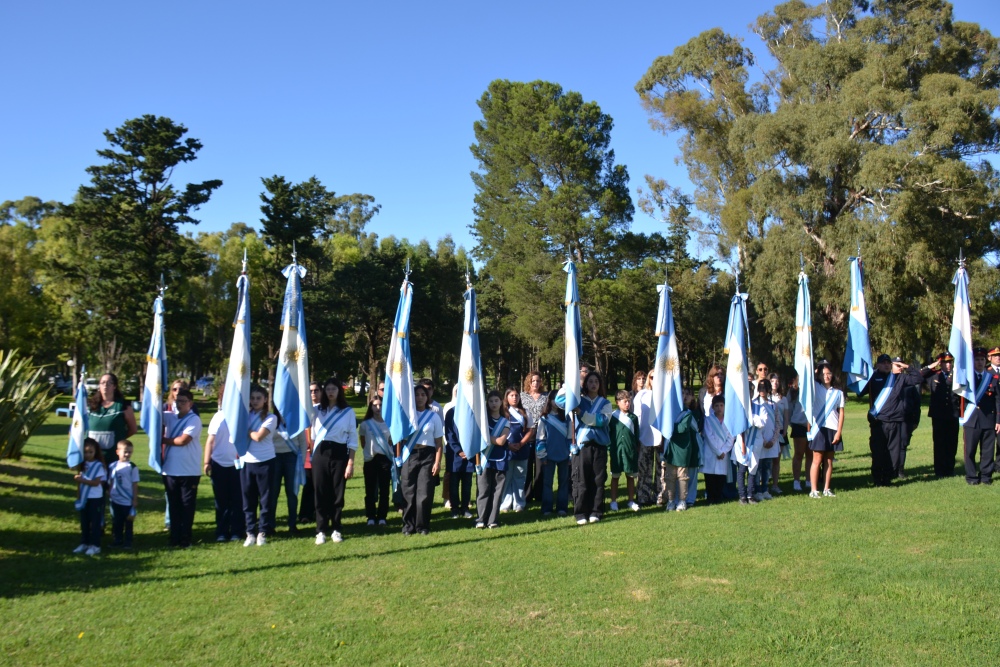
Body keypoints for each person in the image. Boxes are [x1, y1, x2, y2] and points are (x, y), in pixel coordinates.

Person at [861, 354, 923, 486]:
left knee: (893, 453)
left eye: (888, 363)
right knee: (878, 452)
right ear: (878, 365)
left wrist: (906, 366)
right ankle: (877, 479)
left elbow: (918, 378)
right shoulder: (872, 377)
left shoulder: (899, 378)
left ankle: (888, 478)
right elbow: (859, 391)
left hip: (895, 421)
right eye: (883, 363)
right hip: (879, 421)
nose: (886, 365)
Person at [310, 377, 357, 544]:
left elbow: (352, 438)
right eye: (328, 389)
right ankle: (321, 530)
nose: (330, 392)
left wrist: (350, 463)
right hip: (320, 453)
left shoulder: (348, 412)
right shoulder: (316, 410)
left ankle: (336, 528)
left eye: (334, 389)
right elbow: (310, 433)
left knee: (338, 492)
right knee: (320, 491)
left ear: (339, 391)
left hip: (339, 453)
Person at [396, 384, 444, 535]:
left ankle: (422, 526)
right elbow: (397, 437)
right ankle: (408, 526)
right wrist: (398, 456)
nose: (420, 398)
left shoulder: (434, 416)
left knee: (424, 492)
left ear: (427, 397)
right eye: (417, 395)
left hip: (428, 455)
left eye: (423, 395)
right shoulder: (406, 415)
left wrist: (437, 462)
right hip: (409, 454)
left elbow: (438, 443)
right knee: (408, 491)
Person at [161, 388, 202, 548]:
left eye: (183, 401)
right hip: (170, 469)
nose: (179, 404)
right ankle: (174, 536)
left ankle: (185, 538)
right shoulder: (170, 417)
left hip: (188, 470)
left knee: (186, 505)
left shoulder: (194, 419)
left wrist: (163, 440)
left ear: (190, 403)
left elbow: (183, 440)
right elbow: (152, 414)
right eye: (177, 401)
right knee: (174, 505)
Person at [240, 386, 278, 547]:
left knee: (265, 499)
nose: (255, 401)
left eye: (258, 398)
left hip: (266, 462)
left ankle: (262, 532)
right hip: (247, 462)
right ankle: (250, 532)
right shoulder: (244, 416)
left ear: (265, 400)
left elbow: (258, 437)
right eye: (252, 398)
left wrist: (245, 429)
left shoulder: (271, 418)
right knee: (248, 500)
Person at [573, 371, 612, 524]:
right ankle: (581, 512)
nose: (593, 384)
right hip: (583, 446)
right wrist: (570, 386)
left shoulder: (605, 403)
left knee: (598, 479)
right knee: (581, 480)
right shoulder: (578, 401)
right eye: (590, 381)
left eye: (596, 381)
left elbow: (602, 421)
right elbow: (560, 400)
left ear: (600, 384)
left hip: (599, 446)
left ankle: (596, 511)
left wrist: (582, 414)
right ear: (585, 384)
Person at [204, 387, 242, 542]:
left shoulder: (242, 415)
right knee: (221, 500)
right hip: (219, 464)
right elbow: (210, 441)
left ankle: (237, 531)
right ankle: (222, 531)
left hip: (238, 465)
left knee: (238, 500)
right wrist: (206, 462)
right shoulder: (218, 416)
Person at [962, 347, 1000, 486]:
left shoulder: (992, 378)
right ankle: (972, 476)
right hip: (971, 419)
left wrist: (998, 420)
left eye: (982, 359)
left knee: (988, 451)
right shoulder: (966, 378)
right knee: (970, 450)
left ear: (986, 361)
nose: (979, 362)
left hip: (988, 420)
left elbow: (998, 401)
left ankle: (985, 476)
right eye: (977, 359)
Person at [87, 373, 138, 471]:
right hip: (92, 456)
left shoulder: (123, 406)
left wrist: (118, 438)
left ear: (114, 386)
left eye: (109, 383)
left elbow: (133, 429)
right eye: (102, 382)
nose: (105, 385)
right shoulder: (90, 406)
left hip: (113, 457)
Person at [809, 363, 845, 498]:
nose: (826, 376)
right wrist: (814, 370)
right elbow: (806, 378)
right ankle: (813, 490)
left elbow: (841, 412)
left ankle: (826, 488)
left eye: (828, 373)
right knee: (817, 459)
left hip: (833, 428)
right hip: (818, 428)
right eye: (823, 374)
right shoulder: (815, 387)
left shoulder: (838, 393)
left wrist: (839, 431)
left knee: (829, 460)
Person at [733, 380, 771, 505]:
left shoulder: (760, 407)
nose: (748, 393)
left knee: (753, 469)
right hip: (742, 443)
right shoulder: (739, 408)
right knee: (742, 470)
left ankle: (750, 495)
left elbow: (762, 423)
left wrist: (750, 418)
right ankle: (742, 496)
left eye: (750, 391)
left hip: (755, 443)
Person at [922, 353, 960, 477]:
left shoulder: (957, 375)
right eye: (945, 362)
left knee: (952, 443)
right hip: (938, 415)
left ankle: (950, 469)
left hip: (953, 414)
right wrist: (931, 366)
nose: (948, 365)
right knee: (939, 443)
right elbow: (919, 374)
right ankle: (939, 470)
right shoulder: (934, 375)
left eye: (950, 362)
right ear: (940, 363)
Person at [663, 390, 702, 511]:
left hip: (683, 449)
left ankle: (683, 500)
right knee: (670, 476)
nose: (684, 397)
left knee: (682, 476)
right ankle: (671, 501)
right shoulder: (669, 412)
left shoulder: (687, 413)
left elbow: (682, 428)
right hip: (671, 448)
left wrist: (669, 426)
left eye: (686, 394)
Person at [477, 390, 510, 528]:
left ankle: (493, 520)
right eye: (491, 401)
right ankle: (481, 519)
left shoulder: (505, 421)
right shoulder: (482, 420)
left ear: (501, 402)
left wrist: (484, 437)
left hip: (500, 460)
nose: (493, 403)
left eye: (496, 400)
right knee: (483, 490)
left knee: (497, 492)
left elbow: (501, 441)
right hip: (485, 460)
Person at [359, 395, 394, 526]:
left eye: (380, 405)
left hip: (385, 459)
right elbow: (363, 441)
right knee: (370, 490)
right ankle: (371, 517)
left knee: (384, 490)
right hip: (370, 459)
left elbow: (390, 441)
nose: (378, 408)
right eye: (375, 405)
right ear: (371, 407)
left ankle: (382, 516)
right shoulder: (365, 424)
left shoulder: (389, 423)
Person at [537, 390, 570, 516]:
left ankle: (562, 507)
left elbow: (570, 438)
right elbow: (540, 438)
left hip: (564, 455)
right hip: (548, 456)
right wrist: (542, 455)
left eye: (559, 399)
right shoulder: (544, 418)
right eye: (554, 399)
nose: (556, 402)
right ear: (549, 401)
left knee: (563, 482)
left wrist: (570, 455)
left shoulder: (567, 418)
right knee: (547, 483)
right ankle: (547, 508)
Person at [443, 386, 474, 520]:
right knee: (454, 483)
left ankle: (465, 508)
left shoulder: (472, 412)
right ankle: (454, 508)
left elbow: (475, 432)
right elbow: (449, 434)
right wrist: (459, 450)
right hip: (454, 455)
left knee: (467, 483)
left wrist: (469, 449)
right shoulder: (451, 412)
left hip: (469, 454)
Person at [267, 412, 301, 535]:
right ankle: (270, 525)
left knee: (292, 492)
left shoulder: (296, 419)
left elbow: (302, 440)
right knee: (273, 493)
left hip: (292, 457)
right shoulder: (271, 419)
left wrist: (302, 460)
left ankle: (292, 524)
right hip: (274, 457)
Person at [72, 438, 106, 556]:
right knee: (84, 522)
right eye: (85, 452)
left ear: (96, 451)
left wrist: (82, 480)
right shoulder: (82, 464)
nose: (88, 455)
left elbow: (96, 483)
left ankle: (95, 545)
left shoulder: (98, 465)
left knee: (95, 522)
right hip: (84, 497)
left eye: (91, 452)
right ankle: (84, 543)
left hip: (95, 498)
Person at [500, 387, 531, 512]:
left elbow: (530, 430)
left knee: (520, 478)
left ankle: (519, 504)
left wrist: (521, 443)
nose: (514, 398)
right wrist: (508, 445)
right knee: (506, 478)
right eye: (511, 395)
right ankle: (505, 504)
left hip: (522, 449)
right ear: (506, 397)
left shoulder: (525, 412)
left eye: (516, 395)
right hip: (506, 450)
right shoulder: (502, 412)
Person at [608, 389, 640, 512]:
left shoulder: (633, 418)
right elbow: (609, 434)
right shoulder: (612, 417)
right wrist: (610, 448)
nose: (628, 404)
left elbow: (636, 435)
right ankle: (613, 501)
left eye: (629, 401)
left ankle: (631, 500)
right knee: (615, 476)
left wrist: (636, 449)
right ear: (617, 402)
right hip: (616, 451)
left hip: (629, 451)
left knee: (630, 476)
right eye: (625, 401)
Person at [632, 371, 659, 506]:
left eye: (657, 377)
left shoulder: (664, 394)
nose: (654, 379)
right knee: (644, 469)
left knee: (661, 469)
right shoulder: (642, 394)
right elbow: (636, 416)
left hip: (660, 438)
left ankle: (660, 496)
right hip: (644, 436)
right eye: (652, 377)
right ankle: (643, 496)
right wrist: (637, 436)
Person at [297, 382, 322, 525]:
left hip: (320, 450)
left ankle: (319, 512)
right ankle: (305, 513)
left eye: (316, 390)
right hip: (306, 452)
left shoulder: (324, 409)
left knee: (320, 484)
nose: (313, 393)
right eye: (311, 391)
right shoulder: (303, 409)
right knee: (308, 484)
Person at [701, 395, 734, 504]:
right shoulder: (708, 420)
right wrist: (718, 451)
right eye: (716, 406)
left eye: (721, 405)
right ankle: (710, 498)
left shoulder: (729, 420)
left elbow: (731, 438)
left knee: (720, 477)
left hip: (723, 453)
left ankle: (718, 497)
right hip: (711, 452)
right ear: (713, 407)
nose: (719, 408)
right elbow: (709, 437)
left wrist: (723, 451)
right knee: (710, 477)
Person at [520, 372, 547, 505]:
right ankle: (527, 494)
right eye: (533, 381)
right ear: (528, 382)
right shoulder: (522, 396)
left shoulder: (545, 397)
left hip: (542, 434)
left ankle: (539, 494)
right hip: (527, 434)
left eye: (537, 380)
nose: (535, 383)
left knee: (540, 466)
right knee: (527, 465)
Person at [107, 439, 139, 548]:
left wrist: (135, 499)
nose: (127, 454)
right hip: (115, 499)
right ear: (117, 452)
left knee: (128, 522)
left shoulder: (132, 467)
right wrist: (110, 492)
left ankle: (128, 542)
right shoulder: (112, 466)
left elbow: (135, 484)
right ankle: (117, 540)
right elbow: (111, 480)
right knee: (116, 521)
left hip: (127, 500)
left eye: (130, 452)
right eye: (125, 451)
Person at [755, 376, 779, 500]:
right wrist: (763, 441)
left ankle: (765, 489)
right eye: (760, 388)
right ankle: (757, 491)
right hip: (760, 440)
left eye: (764, 388)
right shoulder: (755, 404)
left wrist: (773, 440)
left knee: (767, 467)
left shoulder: (773, 405)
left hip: (771, 441)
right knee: (758, 468)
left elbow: (777, 423)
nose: (762, 390)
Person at [787, 372, 811, 491]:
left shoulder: (813, 388)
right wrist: (792, 422)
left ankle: (809, 480)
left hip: (812, 426)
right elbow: (789, 408)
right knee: (799, 454)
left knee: (811, 454)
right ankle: (796, 481)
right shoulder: (794, 391)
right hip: (799, 425)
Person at [767, 373, 789, 496]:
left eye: (777, 381)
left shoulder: (783, 399)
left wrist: (784, 430)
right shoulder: (765, 397)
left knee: (776, 460)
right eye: (772, 381)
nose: (775, 383)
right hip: (767, 432)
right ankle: (763, 485)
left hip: (780, 432)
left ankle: (775, 485)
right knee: (765, 460)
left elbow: (786, 416)